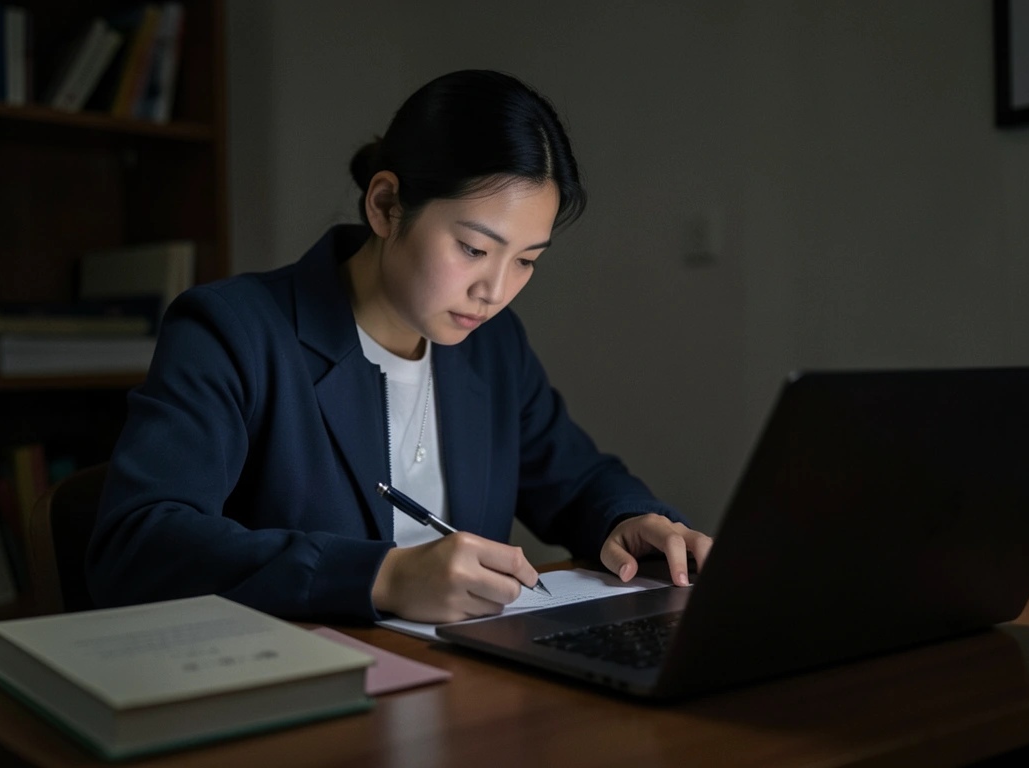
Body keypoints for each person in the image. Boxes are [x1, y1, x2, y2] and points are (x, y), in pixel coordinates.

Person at [86, 70, 712, 624]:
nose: (495, 291)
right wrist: (383, 576)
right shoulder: (232, 332)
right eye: (473, 249)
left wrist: (631, 519)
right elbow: (138, 546)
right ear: (386, 206)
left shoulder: (492, 350)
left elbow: (575, 480)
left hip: (461, 692)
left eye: (526, 261)